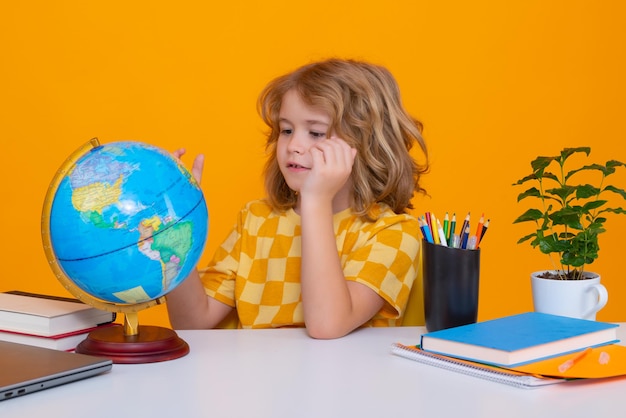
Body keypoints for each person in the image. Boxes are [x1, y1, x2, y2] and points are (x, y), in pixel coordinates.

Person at [166, 58, 429, 339]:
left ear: (366, 146)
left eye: (315, 133)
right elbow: (191, 322)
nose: (293, 146)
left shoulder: (392, 233)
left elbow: (327, 325)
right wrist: (177, 224)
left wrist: (315, 200)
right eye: (286, 130)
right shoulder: (255, 219)